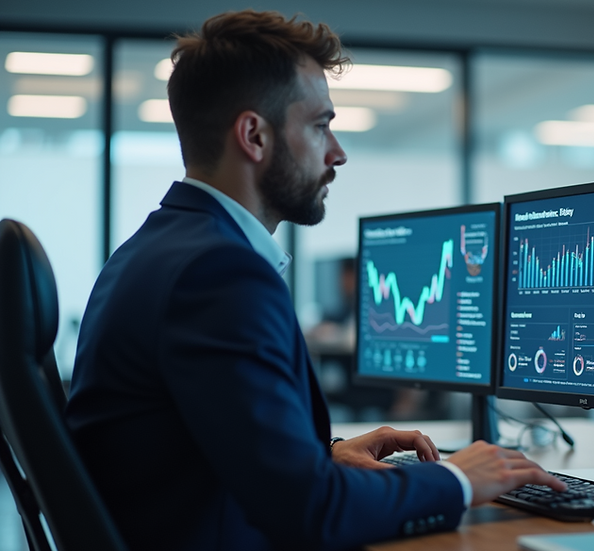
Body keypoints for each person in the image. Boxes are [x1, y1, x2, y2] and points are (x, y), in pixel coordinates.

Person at [65, 9, 565, 551]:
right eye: (320, 125)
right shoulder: (218, 274)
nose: (337, 153)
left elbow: (187, 449)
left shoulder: (155, 249)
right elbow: (312, 512)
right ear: (253, 135)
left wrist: (319, 455)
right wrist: (459, 478)